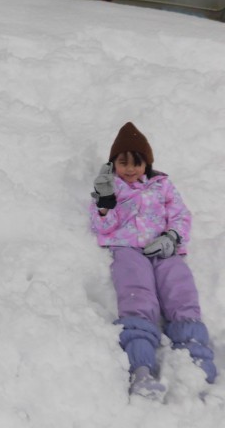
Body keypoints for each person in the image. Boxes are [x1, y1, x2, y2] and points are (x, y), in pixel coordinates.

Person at [90, 121, 217, 400]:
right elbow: (102, 227)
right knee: (137, 295)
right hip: (128, 249)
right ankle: (141, 368)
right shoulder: (109, 187)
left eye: (137, 162)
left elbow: (181, 214)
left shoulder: (163, 185)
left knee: (180, 290)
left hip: (164, 248)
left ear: (147, 163)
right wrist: (105, 202)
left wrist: (172, 237)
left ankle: (197, 361)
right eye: (123, 162)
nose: (130, 169)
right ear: (114, 163)